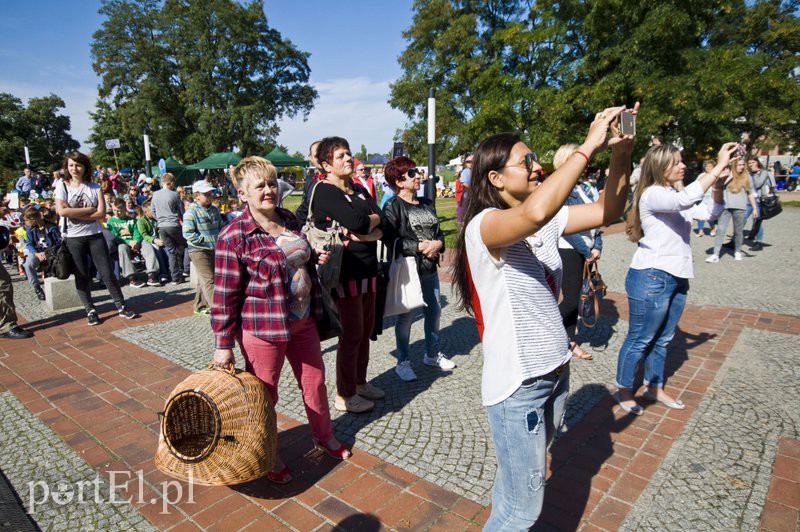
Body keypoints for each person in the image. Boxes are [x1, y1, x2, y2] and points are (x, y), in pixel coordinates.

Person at [452, 105, 636, 530]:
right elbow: (532, 212)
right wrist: (589, 146)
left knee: (515, 488)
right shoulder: (484, 226)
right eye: (526, 161)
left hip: (553, 371)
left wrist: (622, 153)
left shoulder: (548, 222)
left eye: (536, 159)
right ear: (495, 178)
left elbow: (610, 211)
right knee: (523, 510)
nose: (536, 167)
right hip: (520, 385)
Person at [212, 156, 351, 484]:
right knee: (265, 396)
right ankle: (267, 453)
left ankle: (324, 436)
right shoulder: (234, 235)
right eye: (259, 185)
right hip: (264, 329)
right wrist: (222, 345)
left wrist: (314, 256)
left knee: (315, 383)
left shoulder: (288, 219)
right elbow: (224, 295)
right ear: (242, 194)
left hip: (303, 322)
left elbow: (293, 252)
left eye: (272, 183)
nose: (268, 190)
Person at [617, 142, 735, 417]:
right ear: (660, 167)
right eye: (677, 162)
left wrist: (717, 186)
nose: (683, 165)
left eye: (682, 161)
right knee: (640, 338)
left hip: (678, 277)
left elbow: (709, 213)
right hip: (652, 276)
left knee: (664, 338)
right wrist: (717, 167)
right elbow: (683, 201)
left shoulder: (673, 193)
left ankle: (653, 386)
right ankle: (624, 389)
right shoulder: (652, 194)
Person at [311, 137, 384, 414]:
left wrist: (368, 229)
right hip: (345, 274)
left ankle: (360, 382)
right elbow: (357, 221)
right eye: (340, 156)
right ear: (326, 164)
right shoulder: (325, 191)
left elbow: (382, 219)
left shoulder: (357, 189)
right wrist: (366, 225)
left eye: (349, 154)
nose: (348, 159)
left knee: (365, 333)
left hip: (368, 271)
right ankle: (345, 394)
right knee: (351, 335)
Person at [382, 156, 454, 382]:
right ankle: (402, 361)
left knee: (434, 312)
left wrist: (438, 244)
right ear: (399, 181)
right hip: (408, 271)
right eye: (411, 173)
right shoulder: (393, 206)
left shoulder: (427, 202)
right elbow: (390, 240)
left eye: (417, 172)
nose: (418, 176)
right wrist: (420, 246)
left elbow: (439, 233)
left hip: (430, 269)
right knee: (406, 318)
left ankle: (431, 354)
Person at [54, 151, 138, 326]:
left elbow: (100, 213)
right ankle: (90, 309)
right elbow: (62, 212)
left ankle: (121, 305)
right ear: (66, 167)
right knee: (81, 274)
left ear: (85, 167)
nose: (74, 169)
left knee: (107, 272)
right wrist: (89, 210)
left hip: (95, 235)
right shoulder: (62, 186)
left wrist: (75, 212)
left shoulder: (94, 187)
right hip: (73, 237)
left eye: (78, 165)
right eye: (71, 165)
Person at [553, 143, 603, 361]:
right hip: (570, 250)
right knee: (570, 299)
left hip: (588, 250)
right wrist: (586, 250)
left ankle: (569, 341)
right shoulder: (560, 187)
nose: (586, 161)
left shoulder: (586, 187)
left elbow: (598, 218)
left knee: (579, 296)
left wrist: (597, 245)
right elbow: (563, 226)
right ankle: (552, 337)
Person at [183, 180, 224, 316]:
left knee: (204, 279)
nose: (210, 195)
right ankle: (218, 311)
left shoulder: (214, 210)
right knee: (209, 280)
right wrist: (204, 240)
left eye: (210, 193)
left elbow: (220, 227)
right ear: (197, 195)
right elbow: (187, 233)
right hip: (198, 250)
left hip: (213, 249)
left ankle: (200, 306)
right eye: (206, 193)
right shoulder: (191, 212)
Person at [706, 159, 757, 263]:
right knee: (720, 230)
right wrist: (729, 174)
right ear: (734, 165)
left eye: (743, 164)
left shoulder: (747, 177)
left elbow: (750, 193)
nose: (742, 167)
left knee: (738, 232)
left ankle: (737, 252)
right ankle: (716, 254)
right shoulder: (727, 175)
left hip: (740, 207)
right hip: (726, 207)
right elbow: (718, 184)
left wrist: (755, 208)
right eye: (739, 165)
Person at [107, 199, 160, 287]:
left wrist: (136, 242)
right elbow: (115, 236)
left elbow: (137, 232)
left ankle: (152, 274)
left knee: (147, 246)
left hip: (135, 242)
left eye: (119, 210)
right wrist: (129, 242)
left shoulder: (132, 220)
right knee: (122, 248)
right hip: (122, 242)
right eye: (114, 210)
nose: (116, 213)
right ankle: (131, 277)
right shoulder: (111, 222)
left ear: (124, 209)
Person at [151, 173, 187, 284]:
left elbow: (152, 211)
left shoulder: (155, 194)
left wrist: (160, 220)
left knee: (171, 251)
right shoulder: (174, 195)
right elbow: (181, 211)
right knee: (185, 245)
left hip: (161, 226)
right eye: (173, 184)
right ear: (170, 183)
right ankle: (186, 270)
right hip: (173, 224)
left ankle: (175, 277)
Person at [22, 207, 62, 300]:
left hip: (51, 251)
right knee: (28, 264)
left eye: (27, 220)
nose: (26, 223)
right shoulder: (30, 229)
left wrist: (47, 253)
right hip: (37, 252)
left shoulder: (51, 227)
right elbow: (29, 243)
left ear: (33, 219)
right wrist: (36, 253)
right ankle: (37, 287)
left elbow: (58, 243)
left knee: (56, 261)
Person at [136, 200, 169, 284]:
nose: (155, 212)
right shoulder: (141, 221)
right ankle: (163, 274)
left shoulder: (157, 219)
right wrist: (154, 240)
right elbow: (144, 235)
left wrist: (162, 239)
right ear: (146, 212)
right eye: (153, 211)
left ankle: (172, 270)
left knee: (167, 248)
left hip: (159, 239)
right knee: (156, 248)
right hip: (148, 241)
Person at [745, 158, 773, 251]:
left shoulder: (763, 172)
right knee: (741, 219)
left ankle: (759, 243)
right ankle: (734, 240)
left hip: (759, 201)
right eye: (749, 163)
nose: (751, 164)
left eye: (753, 162)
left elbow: (758, 184)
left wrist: (754, 173)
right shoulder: (748, 173)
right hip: (748, 200)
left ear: (757, 163)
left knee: (756, 222)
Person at [295, 140, 325, 223]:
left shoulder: (340, 179)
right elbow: (305, 207)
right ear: (311, 158)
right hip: (314, 232)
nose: (320, 159)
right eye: (316, 156)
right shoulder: (310, 180)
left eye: (323, 154)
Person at [694, 160, 718, 237]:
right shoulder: (701, 175)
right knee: (700, 213)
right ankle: (701, 231)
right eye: (706, 166)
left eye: (710, 166)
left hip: (712, 197)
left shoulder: (716, 175)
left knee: (709, 214)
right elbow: (696, 184)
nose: (708, 167)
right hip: (703, 197)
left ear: (713, 167)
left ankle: (713, 228)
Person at [457, 155, 473, 223]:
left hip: (474, 195)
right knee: (465, 210)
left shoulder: (475, 171)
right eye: (468, 162)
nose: (469, 163)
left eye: (471, 162)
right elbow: (464, 183)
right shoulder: (465, 172)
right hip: (467, 195)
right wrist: (474, 188)